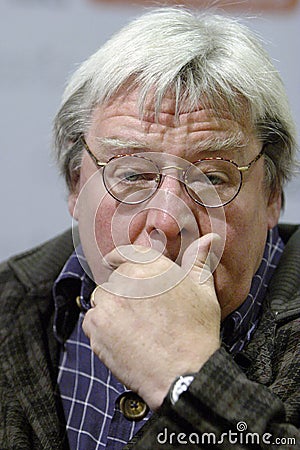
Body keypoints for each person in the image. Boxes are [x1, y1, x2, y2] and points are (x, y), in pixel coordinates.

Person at [0, 7, 299, 450]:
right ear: (76, 183)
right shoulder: (9, 305)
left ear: (272, 195)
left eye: (213, 178)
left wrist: (188, 376)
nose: (165, 220)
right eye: (133, 175)